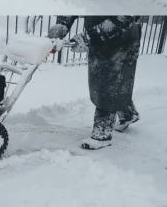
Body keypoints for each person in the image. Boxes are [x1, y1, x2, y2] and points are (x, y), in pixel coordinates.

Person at [49, 16, 141, 150]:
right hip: (99, 38)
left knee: (110, 83)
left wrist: (89, 37)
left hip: (122, 37)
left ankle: (102, 134)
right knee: (102, 80)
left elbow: (124, 18)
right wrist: (62, 25)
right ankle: (127, 113)